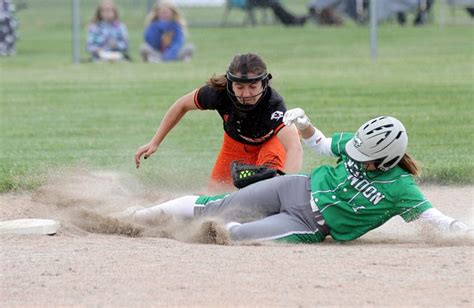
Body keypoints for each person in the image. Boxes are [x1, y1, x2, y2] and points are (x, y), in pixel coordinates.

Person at [123, 110, 472, 243]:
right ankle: (131, 221)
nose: (356, 156)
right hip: (293, 187)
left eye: (366, 158)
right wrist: (304, 124)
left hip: (309, 223)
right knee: (212, 206)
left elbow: (438, 221)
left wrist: (464, 232)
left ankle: (166, 234)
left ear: (389, 158)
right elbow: (320, 143)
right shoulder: (357, 143)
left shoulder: (402, 188)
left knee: (235, 234)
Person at [135, 53, 303, 192]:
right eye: (239, 87)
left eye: (252, 87)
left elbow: (294, 147)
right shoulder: (218, 93)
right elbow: (181, 105)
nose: (245, 94)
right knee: (216, 193)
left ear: (264, 83)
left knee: (267, 189)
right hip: (235, 142)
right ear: (230, 84)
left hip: (271, 141)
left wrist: (285, 186)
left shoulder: (273, 104)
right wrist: (155, 142)